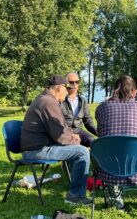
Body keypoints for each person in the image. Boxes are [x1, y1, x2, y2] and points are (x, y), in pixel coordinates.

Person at [20, 75, 91, 205]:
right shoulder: (48, 102)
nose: (69, 91)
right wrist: (77, 142)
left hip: (38, 147)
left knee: (79, 150)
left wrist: (72, 135)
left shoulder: (46, 99)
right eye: (67, 88)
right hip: (36, 150)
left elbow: (61, 127)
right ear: (59, 88)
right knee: (82, 152)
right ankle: (75, 196)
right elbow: (61, 137)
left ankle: (75, 191)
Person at [95, 75, 137, 211]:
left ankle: (115, 203)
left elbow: (100, 133)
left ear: (115, 90)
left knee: (111, 149)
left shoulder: (101, 108)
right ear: (134, 92)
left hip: (108, 165)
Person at [61, 72, 97, 147]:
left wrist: (98, 132)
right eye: (71, 82)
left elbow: (87, 120)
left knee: (92, 140)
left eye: (77, 82)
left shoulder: (82, 100)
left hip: (77, 130)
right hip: (64, 131)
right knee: (72, 142)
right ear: (66, 84)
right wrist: (69, 134)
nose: (74, 84)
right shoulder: (61, 99)